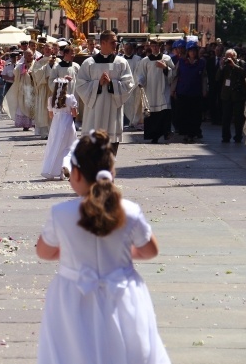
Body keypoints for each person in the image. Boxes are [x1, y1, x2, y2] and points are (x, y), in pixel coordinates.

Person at [35, 129, 170, 364]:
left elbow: (44, 251)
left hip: (73, 298)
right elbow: (150, 250)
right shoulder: (129, 211)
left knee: (72, 353)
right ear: (112, 172)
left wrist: (72, 251)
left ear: (76, 174)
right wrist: (121, 253)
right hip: (122, 294)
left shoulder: (61, 214)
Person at [76, 30, 134, 155]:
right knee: (92, 146)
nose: (116, 44)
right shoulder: (89, 63)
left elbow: (129, 84)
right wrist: (98, 84)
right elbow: (80, 85)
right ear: (103, 43)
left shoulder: (121, 62)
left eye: (116, 42)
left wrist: (112, 84)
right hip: (94, 111)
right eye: (112, 42)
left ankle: (108, 170)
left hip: (113, 110)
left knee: (111, 145)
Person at [137, 39, 176, 144]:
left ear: (160, 47)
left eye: (157, 46)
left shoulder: (166, 58)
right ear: (150, 47)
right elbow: (141, 74)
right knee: (152, 115)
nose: (155, 48)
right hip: (150, 90)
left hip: (163, 89)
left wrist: (165, 68)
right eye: (153, 46)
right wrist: (140, 82)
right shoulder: (145, 61)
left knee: (165, 111)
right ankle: (154, 136)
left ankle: (166, 133)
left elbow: (173, 73)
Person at [40, 78, 78, 180]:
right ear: (66, 87)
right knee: (69, 146)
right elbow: (74, 114)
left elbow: (51, 115)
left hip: (56, 124)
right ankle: (65, 166)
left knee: (55, 145)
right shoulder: (70, 98)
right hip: (68, 123)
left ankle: (53, 169)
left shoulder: (51, 99)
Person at [174, 41, 208, 143]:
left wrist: (205, 90)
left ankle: (193, 133)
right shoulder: (181, 62)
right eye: (191, 51)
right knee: (184, 114)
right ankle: (185, 133)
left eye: (194, 51)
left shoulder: (201, 63)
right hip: (183, 92)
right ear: (187, 52)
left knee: (195, 115)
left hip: (196, 93)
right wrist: (173, 90)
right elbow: (175, 76)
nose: (192, 53)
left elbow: (204, 78)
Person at [217, 48, 246, 143]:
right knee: (226, 117)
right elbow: (217, 78)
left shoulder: (241, 63)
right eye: (227, 56)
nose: (229, 59)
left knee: (238, 118)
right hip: (226, 94)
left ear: (235, 56)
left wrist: (234, 66)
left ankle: (238, 136)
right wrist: (221, 66)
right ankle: (225, 136)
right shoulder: (224, 65)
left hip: (238, 94)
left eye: (231, 56)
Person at [6, 49, 36, 131]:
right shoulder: (21, 66)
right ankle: (26, 124)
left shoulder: (36, 64)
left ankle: (34, 123)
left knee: (34, 106)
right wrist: (23, 68)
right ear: (24, 56)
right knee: (24, 105)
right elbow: (15, 73)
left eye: (31, 55)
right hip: (24, 89)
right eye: (28, 55)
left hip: (34, 88)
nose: (30, 57)